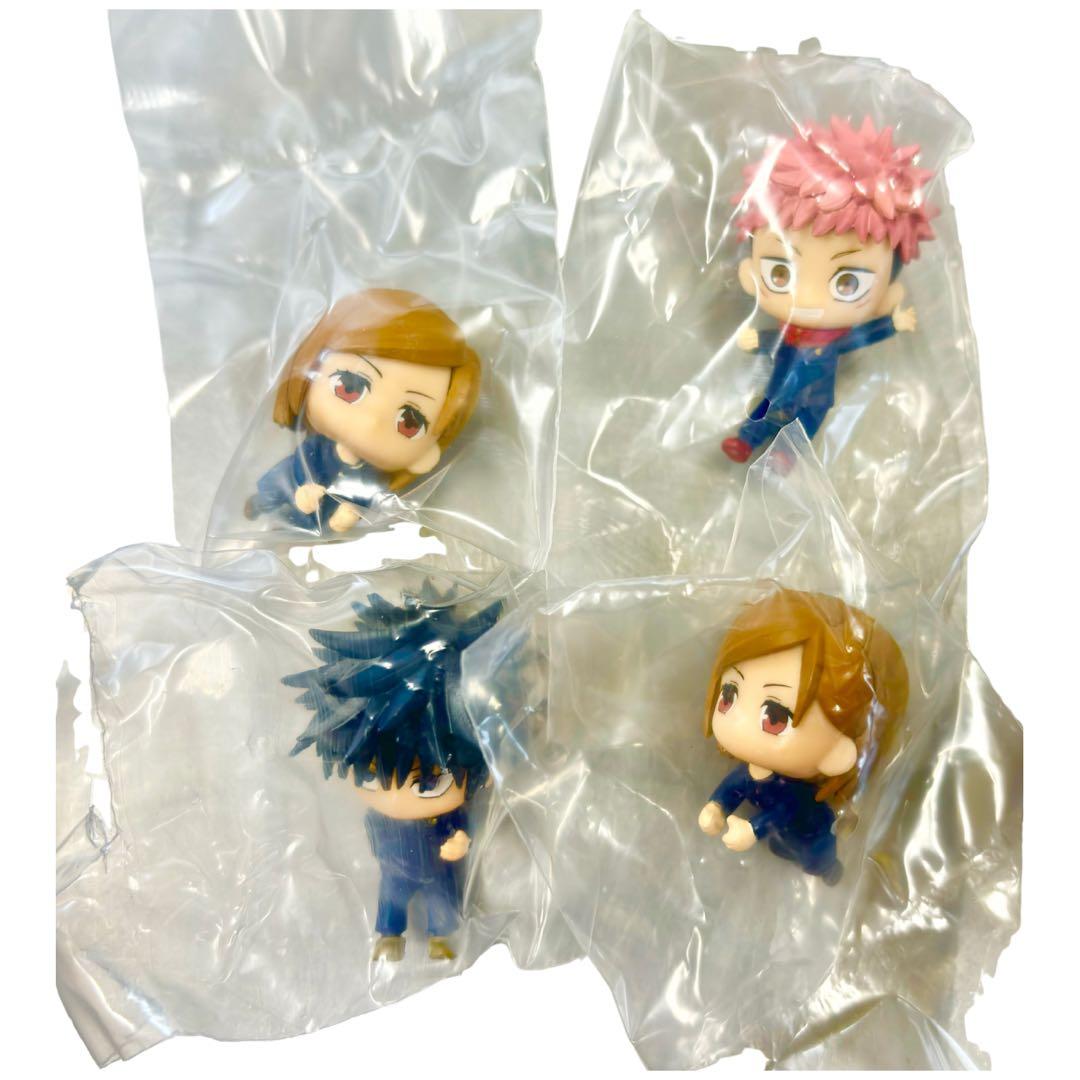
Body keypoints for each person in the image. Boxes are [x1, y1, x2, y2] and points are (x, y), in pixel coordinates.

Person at [698, 588, 908, 883]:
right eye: (729, 695)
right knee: (780, 847)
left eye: (775, 717)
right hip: (779, 838)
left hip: (812, 836)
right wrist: (716, 807)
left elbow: (784, 811)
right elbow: (733, 787)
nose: (740, 720)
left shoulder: (793, 790)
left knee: (816, 862)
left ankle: (829, 872)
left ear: (838, 754)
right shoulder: (753, 771)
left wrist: (753, 830)